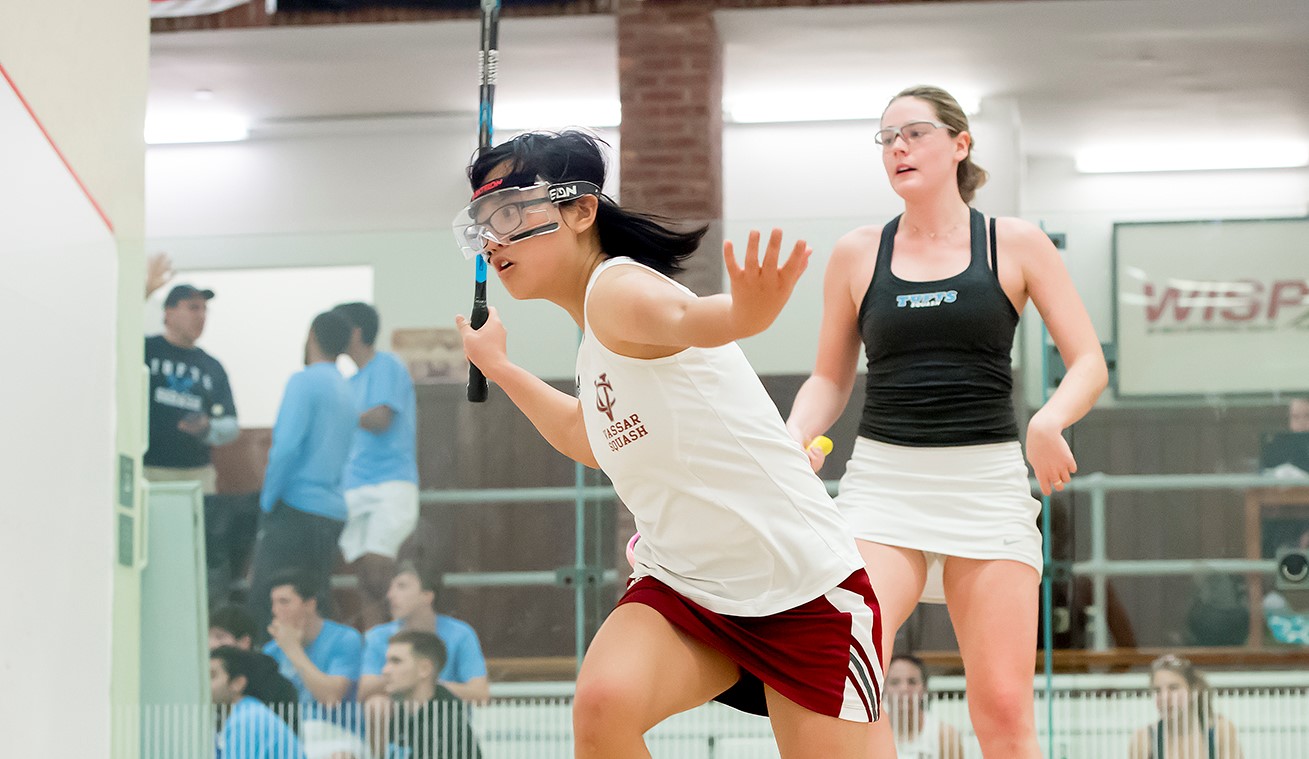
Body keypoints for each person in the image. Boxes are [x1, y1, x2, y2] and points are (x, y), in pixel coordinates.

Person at [453, 130, 886, 758]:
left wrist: (748, 312)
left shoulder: (617, 292)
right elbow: (589, 437)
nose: (493, 239)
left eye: (511, 213)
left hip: (801, 592)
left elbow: (693, 321)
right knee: (604, 708)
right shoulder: (594, 335)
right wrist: (504, 370)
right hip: (685, 586)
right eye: (483, 224)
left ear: (579, 210)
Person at [785, 85, 1107, 758]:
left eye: (913, 132)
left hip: (985, 488)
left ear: (959, 144)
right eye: (885, 138)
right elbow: (829, 377)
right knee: (850, 676)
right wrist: (794, 437)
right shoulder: (855, 252)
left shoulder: (1013, 242)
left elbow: (1087, 362)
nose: (897, 147)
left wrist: (1048, 421)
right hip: (881, 488)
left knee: (1002, 709)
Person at [246, 311, 357, 632]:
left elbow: (286, 448)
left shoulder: (304, 382)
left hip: (296, 507)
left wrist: (267, 502)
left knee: (268, 605)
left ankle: (269, 678)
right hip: (333, 511)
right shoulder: (348, 391)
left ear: (311, 336)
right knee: (312, 604)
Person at [332, 302, 421, 631]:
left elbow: (381, 418)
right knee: (364, 579)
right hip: (354, 486)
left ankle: (403, 649)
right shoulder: (349, 382)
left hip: (391, 484)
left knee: (380, 570)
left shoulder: (387, 366)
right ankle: (376, 654)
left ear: (355, 331)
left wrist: (338, 416)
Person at [143, 252, 239, 495]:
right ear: (169, 312)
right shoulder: (146, 349)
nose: (201, 316)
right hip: (150, 471)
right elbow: (115, 331)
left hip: (197, 475)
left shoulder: (212, 366)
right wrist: (144, 290)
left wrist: (208, 429)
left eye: (205, 310)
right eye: (193, 308)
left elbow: (231, 424)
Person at [358, 564, 489, 705]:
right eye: (390, 588)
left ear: (427, 596)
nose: (390, 595)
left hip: (446, 719)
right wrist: (409, 678)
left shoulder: (461, 634)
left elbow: (481, 694)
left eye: (401, 586)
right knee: (377, 704)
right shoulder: (377, 636)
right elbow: (364, 690)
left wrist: (428, 685)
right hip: (397, 720)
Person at [261, 571, 364, 709]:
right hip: (291, 727)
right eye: (273, 603)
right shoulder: (271, 650)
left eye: (284, 602)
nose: (275, 610)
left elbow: (331, 698)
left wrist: (292, 649)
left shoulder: (345, 639)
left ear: (310, 605)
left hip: (334, 727)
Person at [380, 631, 482, 759]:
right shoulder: (401, 717)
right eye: (387, 661)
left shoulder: (448, 727)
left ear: (425, 669)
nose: (385, 670)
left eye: (396, 661)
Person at [1128, 655, 1243, 759]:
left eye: (1173, 688)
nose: (1164, 697)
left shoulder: (1220, 731)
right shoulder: (1143, 739)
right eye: (1157, 691)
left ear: (1194, 691)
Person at [211, 646, 306, 759]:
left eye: (212, 676)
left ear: (238, 683)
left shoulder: (246, 722)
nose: (204, 683)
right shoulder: (248, 713)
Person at [884, 654, 963, 759]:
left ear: (925, 688)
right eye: (895, 682)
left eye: (912, 682)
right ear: (883, 688)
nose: (904, 689)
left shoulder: (945, 735)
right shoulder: (870, 734)